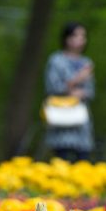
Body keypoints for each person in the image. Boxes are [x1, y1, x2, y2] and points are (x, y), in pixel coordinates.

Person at [44, 22, 95, 161]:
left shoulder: (86, 62)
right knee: (62, 158)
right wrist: (77, 80)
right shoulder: (56, 60)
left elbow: (91, 91)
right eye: (76, 36)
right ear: (67, 38)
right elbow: (52, 86)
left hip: (80, 118)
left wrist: (81, 93)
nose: (81, 39)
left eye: (83, 36)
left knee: (83, 158)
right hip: (62, 117)